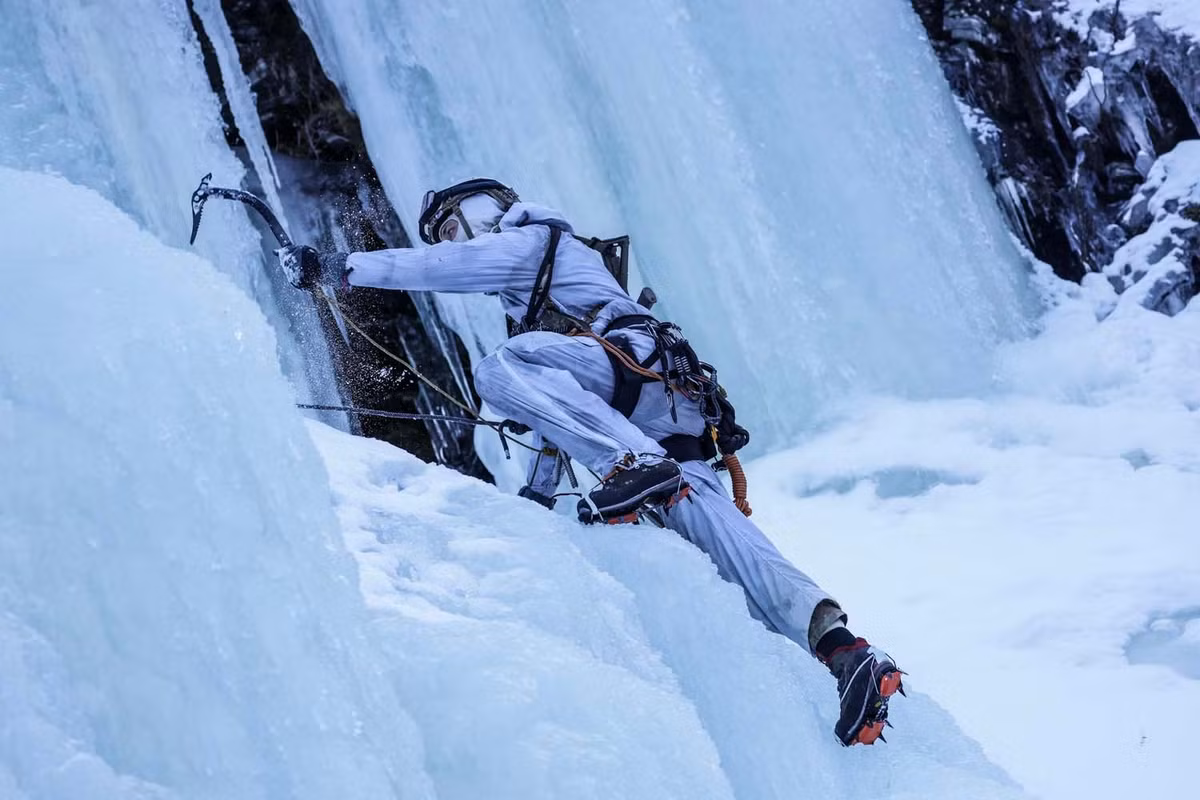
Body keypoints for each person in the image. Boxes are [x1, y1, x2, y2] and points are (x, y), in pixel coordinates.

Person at [277, 178, 904, 746]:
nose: (450, 238)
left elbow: (452, 266)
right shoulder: (540, 301)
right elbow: (563, 426)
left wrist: (333, 267)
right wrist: (535, 505)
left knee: (502, 367)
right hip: (664, 406)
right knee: (719, 540)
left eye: (451, 224)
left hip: (633, 373)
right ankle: (842, 649)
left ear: (482, 211)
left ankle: (634, 466)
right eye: (442, 233)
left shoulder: (532, 238)